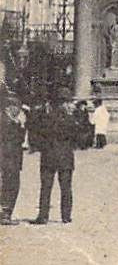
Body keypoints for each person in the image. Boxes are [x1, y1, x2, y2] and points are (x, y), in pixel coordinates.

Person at [29, 88, 76, 225]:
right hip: (66, 157)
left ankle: (43, 216)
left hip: (48, 156)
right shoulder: (71, 118)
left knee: (46, 187)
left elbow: (37, 132)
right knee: (66, 187)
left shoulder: (46, 116)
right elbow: (78, 136)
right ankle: (66, 216)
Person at [1, 93, 28, 224]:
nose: (19, 110)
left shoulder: (10, 120)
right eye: (17, 107)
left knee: (9, 185)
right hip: (8, 159)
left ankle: (5, 213)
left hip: (11, 159)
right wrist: (20, 126)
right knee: (11, 185)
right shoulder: (7, 121)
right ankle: (5, 215)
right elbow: (17, 139)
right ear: (10, 107)